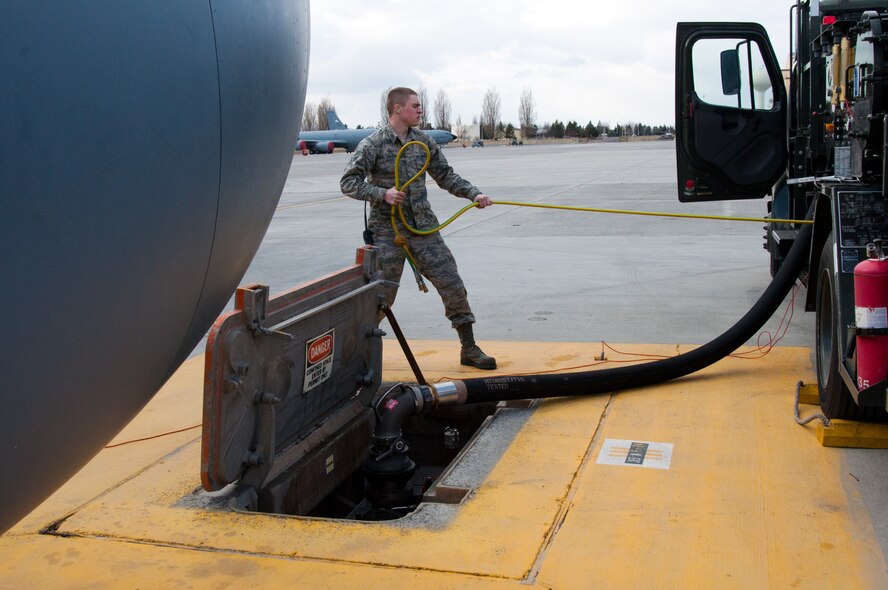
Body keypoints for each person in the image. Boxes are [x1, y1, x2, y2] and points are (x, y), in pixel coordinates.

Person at [340, 87, 496, 370]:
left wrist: (474, 194)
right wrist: (382, 193)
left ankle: (469, 349)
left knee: (452, 284)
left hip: (422, 227)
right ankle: (352, 357)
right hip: (387, 230)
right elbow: (348, 183)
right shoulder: (373, 144)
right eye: (415, 105)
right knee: (381, 297)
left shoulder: (423, 142)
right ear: (397, 109)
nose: (420, 110)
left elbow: (446, 176)